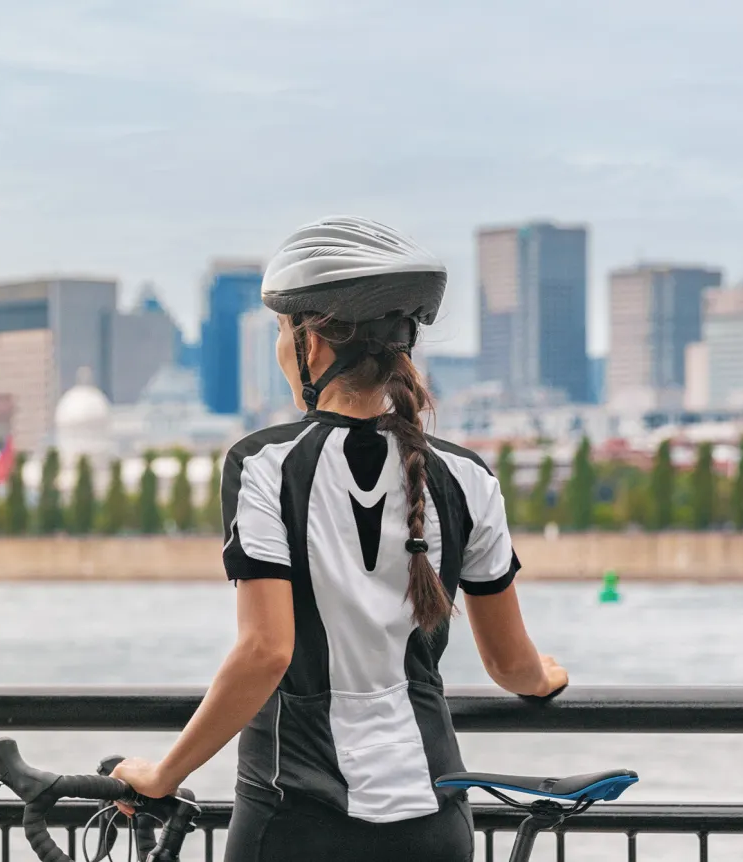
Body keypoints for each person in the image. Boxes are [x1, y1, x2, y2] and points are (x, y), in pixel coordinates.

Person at [109, 216, 568, 861]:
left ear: (314, 345)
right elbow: (511, 665)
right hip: (431, 817)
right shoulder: (467, 475)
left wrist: (165, 773)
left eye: (280, 331)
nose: (278, 349)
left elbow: (266, 650)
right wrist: (546, 677)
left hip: (294, 812)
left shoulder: (264, 463)